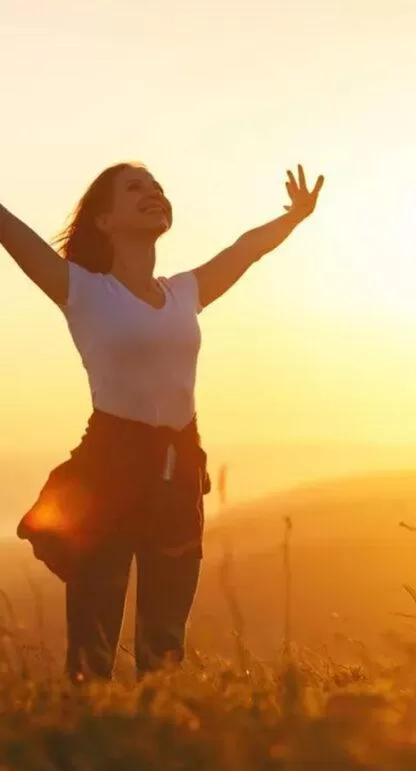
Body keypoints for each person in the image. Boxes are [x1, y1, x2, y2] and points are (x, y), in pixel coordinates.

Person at [0, 161, 324, 681]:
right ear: (104, 221)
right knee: (93, 645)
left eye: (157, 188)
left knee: (165, 644)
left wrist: (295, 217)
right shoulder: (82, 290)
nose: (153, 193)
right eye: (135, 189)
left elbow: (246, 250)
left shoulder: (183, 292)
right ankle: (82, 750)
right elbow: (15, 236)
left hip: (176, 470)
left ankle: (162, 746)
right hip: (107, 472)